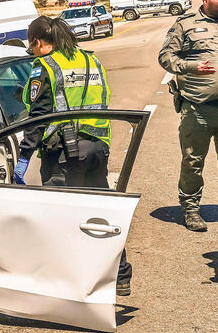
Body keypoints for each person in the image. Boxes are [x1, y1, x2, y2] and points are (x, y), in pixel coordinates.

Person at [13, 16, 132, 296]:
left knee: (60, 220)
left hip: (64, 155)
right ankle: (121, 276)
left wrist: (24, 156)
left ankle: (65, 285)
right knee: (101, 215)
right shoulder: (91, 60)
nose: (33, 52)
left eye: (33, 47)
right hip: (98, 147)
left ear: (39, 42)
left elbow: (39, 116)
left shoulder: (44, 67)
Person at [158, 0, 218, 231]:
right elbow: (165, 56)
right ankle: (191, 208)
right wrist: (190, 66)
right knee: (193, 160)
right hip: (197, 107)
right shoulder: (185, 25)